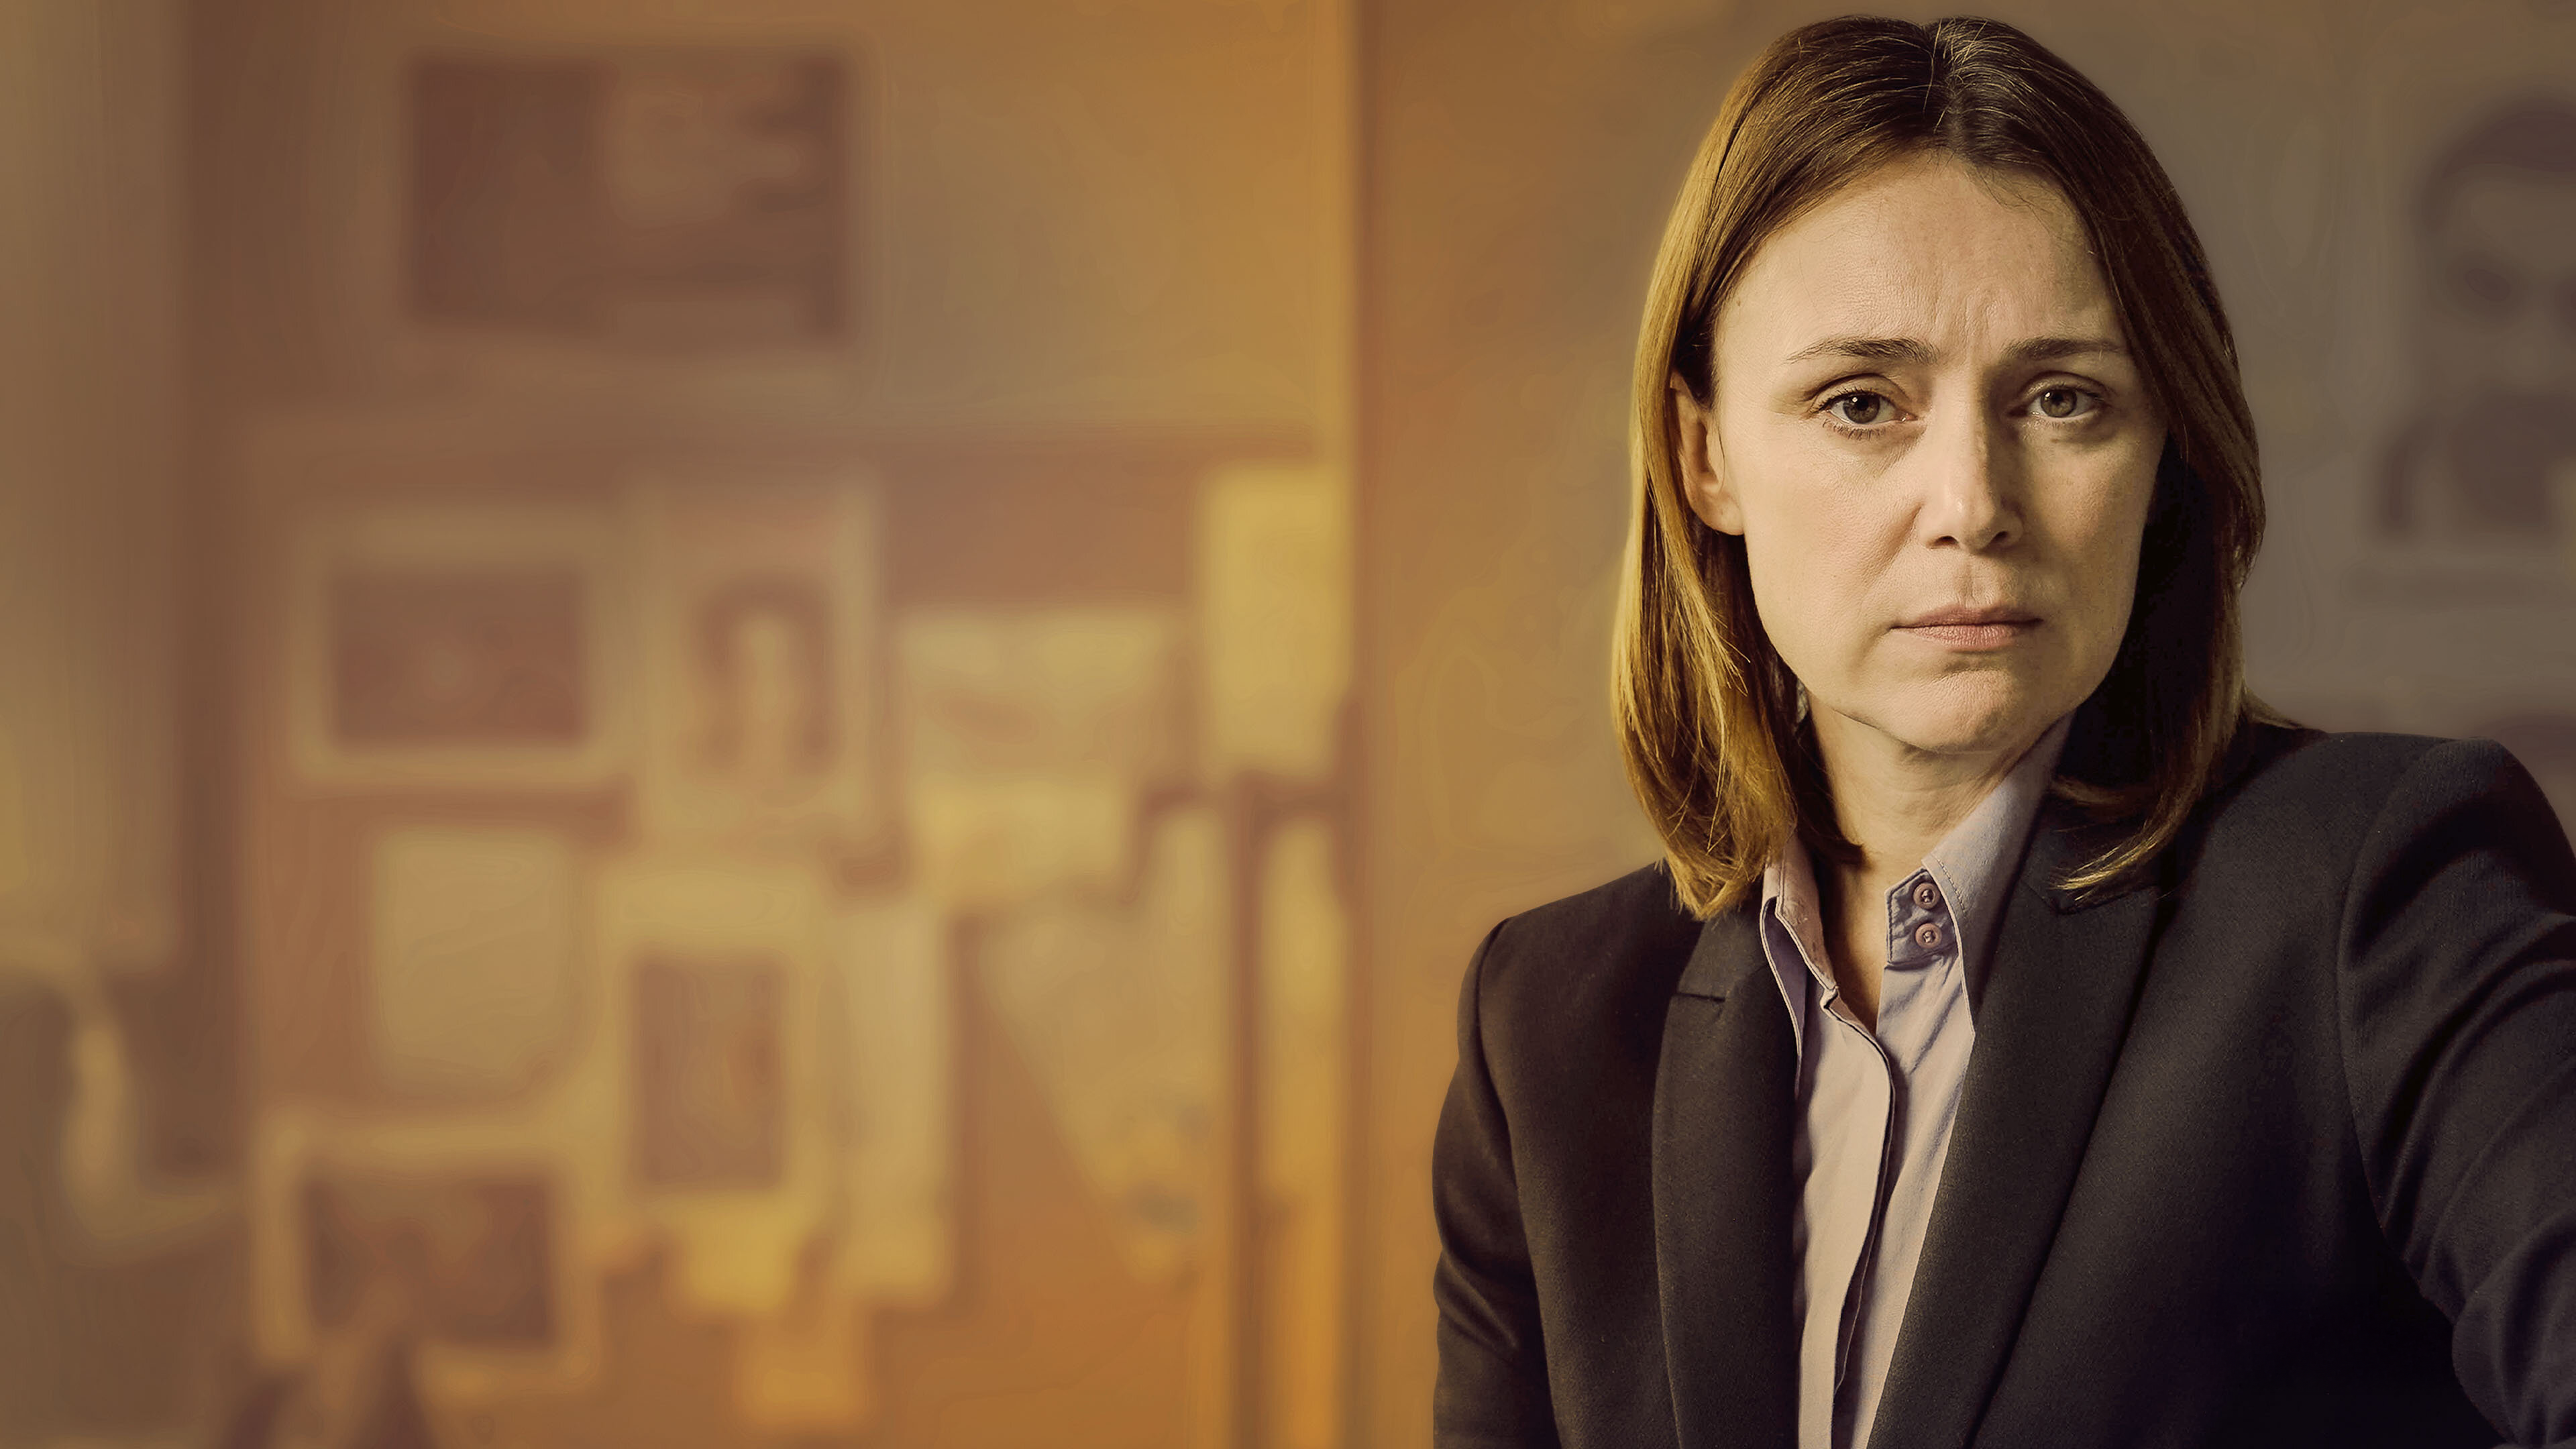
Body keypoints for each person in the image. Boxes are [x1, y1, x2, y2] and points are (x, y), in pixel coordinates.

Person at [1430, 15, 2576, 1449]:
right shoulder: (1547, 1027)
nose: (1973, 503)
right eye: (1862, 403)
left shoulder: (2388, 897)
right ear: (1702, 453)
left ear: (2163, 451)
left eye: (2063, 399)